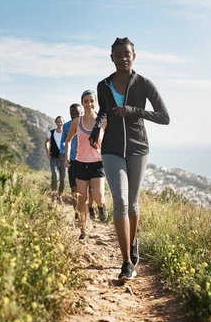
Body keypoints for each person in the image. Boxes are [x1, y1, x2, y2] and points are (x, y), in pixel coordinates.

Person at [89, 37, 169, 281]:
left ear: (134, 56)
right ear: (111, 57)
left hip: (137, 149)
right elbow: (103, 112)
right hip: (111, 149)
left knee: (133, 203)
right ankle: (126, 262)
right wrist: (95, 130)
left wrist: (134, 111)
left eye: (127, 54)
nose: (123, 57)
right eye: (118, 54)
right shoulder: (103, 85)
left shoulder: (144, 84)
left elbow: (164, 116)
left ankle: (133, 243)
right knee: (121, 201)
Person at [65, 90, 109, 240]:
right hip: (80, 164)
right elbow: (68, 140)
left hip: (98, 164)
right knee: (82, 201)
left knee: (98, 196)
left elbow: (111, 141)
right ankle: (83, 232)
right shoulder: (77, 122)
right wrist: (66, 157)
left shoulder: (103, 121)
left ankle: (101, 206)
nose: (89, 104)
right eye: (86, 101)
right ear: (82, 103)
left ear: (95, 103)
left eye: (91, 101)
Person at [60, 104, 96, 221]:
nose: (75, 116)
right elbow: (64, 143)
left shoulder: (88, 123)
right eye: (72, 114)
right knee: (74, 190)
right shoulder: (66, 126)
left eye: (78, 114)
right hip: (73, 161)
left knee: (90, 190)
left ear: (82, 112)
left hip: (88, 160)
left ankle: (90, 206)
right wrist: (65, 156)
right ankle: (77, 213)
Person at [45, 116, 66, 203]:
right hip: (53, 158)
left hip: (63, 159)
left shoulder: (66, 133)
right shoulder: (51, 133)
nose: (60, 124)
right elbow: (46, 142)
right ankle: (53, 195)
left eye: (61, 122)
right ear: (55, 122)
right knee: (55, 177)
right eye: (58, 122)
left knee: (62, 179)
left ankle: (60, 195)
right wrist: (47, 152)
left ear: (63, 123)